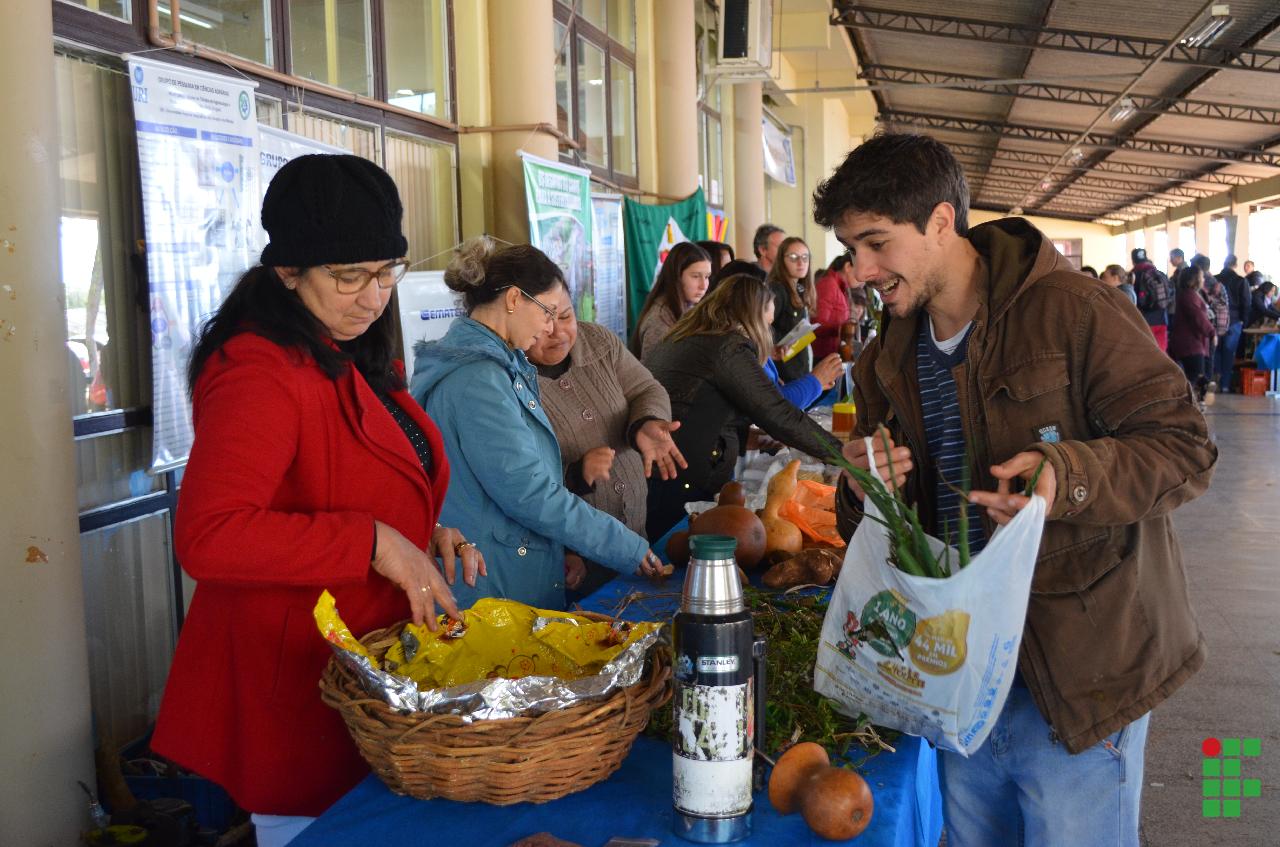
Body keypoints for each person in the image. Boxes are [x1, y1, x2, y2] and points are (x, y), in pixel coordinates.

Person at [812, 133, 1216, 847]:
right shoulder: (884, 360)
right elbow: (873, 523)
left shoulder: (1073, 312)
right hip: (958, 675)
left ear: (941, 221)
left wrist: (1068, 477)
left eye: (876, 243)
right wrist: (864, 487)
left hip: (1076, 677)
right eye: (850, 249)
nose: (861, 271)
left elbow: (1185, 446)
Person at [151, 155, 484, 846]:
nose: (373, 296)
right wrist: (375, 542)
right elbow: (210, 534)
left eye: (387, 271)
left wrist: (421, 530)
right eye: (348, 275)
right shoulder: (258, 368)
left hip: (363, 675)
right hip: (298, 691)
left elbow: (346, 475)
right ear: (288, 271)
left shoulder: (346, 344)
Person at [411, 239, 664, 611]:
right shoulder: (479, 380)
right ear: (514, 299)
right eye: (547, 312)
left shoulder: (498, 365)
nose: (549, 328)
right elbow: (530, 494)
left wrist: (557, 550)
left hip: (507, 566)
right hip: (494, 585)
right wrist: (626, 546)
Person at [643, 273, 844, 538]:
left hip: (665, 470)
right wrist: (841, 454)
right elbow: (778, 412)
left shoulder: (694, 335)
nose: (768, 333)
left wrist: (742, 437)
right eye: (767, 324)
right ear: (752, 319)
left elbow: (702, 404)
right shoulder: (728, 346)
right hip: (682, 476)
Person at [526, 284, 686, 596]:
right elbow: (522, 483)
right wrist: (576, 474)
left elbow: (646, 389)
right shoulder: (511, 379)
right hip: (575, 558)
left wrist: (645, 423)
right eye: (545, 323)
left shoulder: (597, 340)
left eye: (566, 316)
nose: (558, 332)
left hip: (635, 534)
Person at [630, 241, 712, 360]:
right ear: (676, 276)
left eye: (707, 276)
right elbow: (653, 369)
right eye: (695, 276)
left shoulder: (688, 307)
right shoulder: (659, 320)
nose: (703, 285)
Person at [766, 236, 818, 383]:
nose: (801, 263)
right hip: (783, 373)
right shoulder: (777, 289)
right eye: (793, 257)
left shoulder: (800, 288)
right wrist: (774, 344)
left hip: (799, 367)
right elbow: (761, 326)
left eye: (805, 257)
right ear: (782, 260)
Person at [1169, 266, 1216, 408]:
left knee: (1196, 375)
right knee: (1197, 375)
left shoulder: (1191, 294)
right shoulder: (1189, 296)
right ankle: (1194, 402)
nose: (1203, 279)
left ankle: (1197, 402)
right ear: (1194, 279)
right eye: (1201, 277)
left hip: (1193, 342)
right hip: (1190, 343)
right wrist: (1211, 332)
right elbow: (1198, 316)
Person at [813, 253, 865, 359]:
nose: (863, 279)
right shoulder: (829, 285)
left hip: (832, 354)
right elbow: (816, 326)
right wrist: (844, 329)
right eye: (861, 272)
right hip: (821, 357)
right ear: (848, 267)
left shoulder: (840, 288)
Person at [1215, 254, 1251, 393]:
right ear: (1235, 265)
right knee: (1229, 353)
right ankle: (1225, 385)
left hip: (1217, 320)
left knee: (1217, 351)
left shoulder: (1215, 279)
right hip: (1234, 321)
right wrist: (1244, 321)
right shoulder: (1241, 281)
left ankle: (1215, 382)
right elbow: (1246, 303)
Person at [1131, 247, 1173, 352]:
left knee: (1146, 354)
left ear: (1133, 260)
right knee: (1161, 353)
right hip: (1162, 318)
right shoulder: (1160, 274)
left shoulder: (1134, 275)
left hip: (1144, 320)